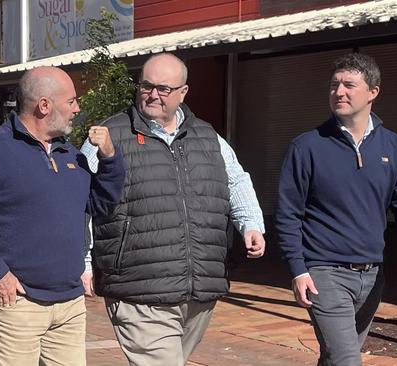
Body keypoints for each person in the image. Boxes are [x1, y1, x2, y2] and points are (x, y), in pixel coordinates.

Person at [80, 53, 266, 366]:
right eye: (146, 86)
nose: (153, 95)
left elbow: (235, 180)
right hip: (138, 287)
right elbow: (81, 203)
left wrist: (250, 224)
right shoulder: (109, 137)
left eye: (163, 89)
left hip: (199, 289)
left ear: (183, 92)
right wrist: (84, 262)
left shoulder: (207, 137)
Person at [0, 66, 125, 366]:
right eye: (72, 102)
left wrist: (110, 158)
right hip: (18, 304)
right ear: (44, 105)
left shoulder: (70, 155)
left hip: (69, 304)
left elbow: (100, 206)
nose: (77, 109)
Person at [275, 53, 397, 365]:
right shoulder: (307, 147)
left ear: (373, 92)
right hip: (324, 272)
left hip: (372, 275)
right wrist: (298, 268)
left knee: (335, 358)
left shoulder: (392, 146)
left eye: (349, 85)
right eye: (334, 85)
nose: (339, 92)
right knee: (347, 360)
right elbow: (288, 212)